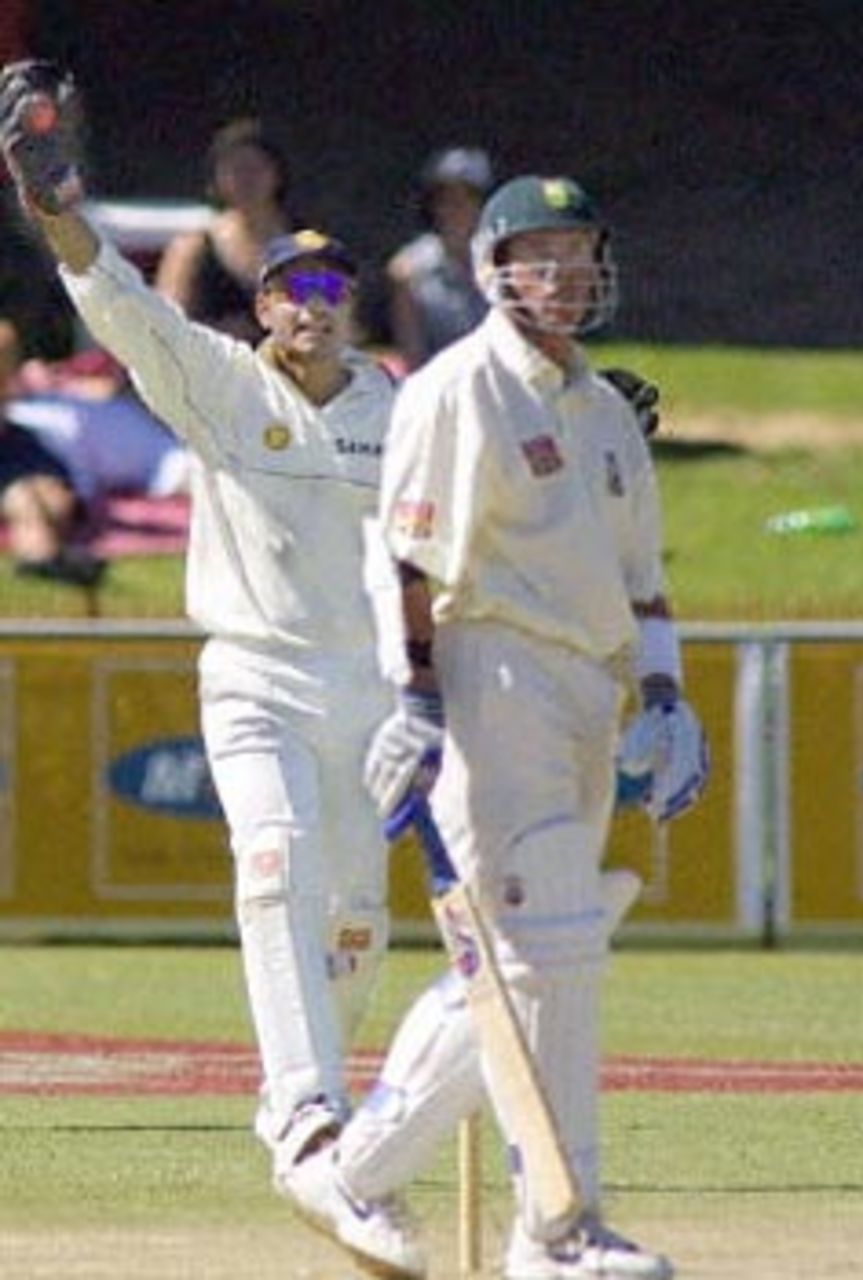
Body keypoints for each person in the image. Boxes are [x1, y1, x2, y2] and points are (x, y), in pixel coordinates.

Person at [279, 175, 708, 1279]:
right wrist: (416, 699)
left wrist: (666, 700)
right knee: (546, 945)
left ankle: (363, 1171)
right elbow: (409, 561)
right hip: (490, 671)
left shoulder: (610, 412)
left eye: (578, 251)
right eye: (539, 252)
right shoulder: (453, 389)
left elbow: (643, 583)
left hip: (587, 690)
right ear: (495, 268)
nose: (563, 273)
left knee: (536, 960)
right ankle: (559, 1227)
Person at [0, 61, 399, 1181]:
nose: (310, 309)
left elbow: (468, 499)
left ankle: (324, 1082)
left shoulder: (399, 406)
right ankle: (303, 1106)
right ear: (263, 302)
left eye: (330, 291)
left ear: (348, 304)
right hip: (255, 673)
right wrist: (53, 204)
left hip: (364, 686)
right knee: (271, 862)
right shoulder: (220, 382)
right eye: (291, 291)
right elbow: (118, 301)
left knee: (356, 922)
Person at [155, 117, 294, 341]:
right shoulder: (192, 249)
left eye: (255, 168)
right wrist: (217, 331)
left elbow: (336, 316)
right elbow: (166, 324)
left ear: (277, 173)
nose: (246, 179)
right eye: (234, 170)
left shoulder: (307, 245)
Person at [0, 314, 105, 587]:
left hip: (12, 443)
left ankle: (45, 556)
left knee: (52, 497)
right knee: (24, 499)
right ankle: (41, 558)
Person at [385, 145, 492, 372]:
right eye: (447, 199)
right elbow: (412, 355)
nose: (456, 209)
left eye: (468, 199)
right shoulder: (407, 269)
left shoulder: (505, 262)